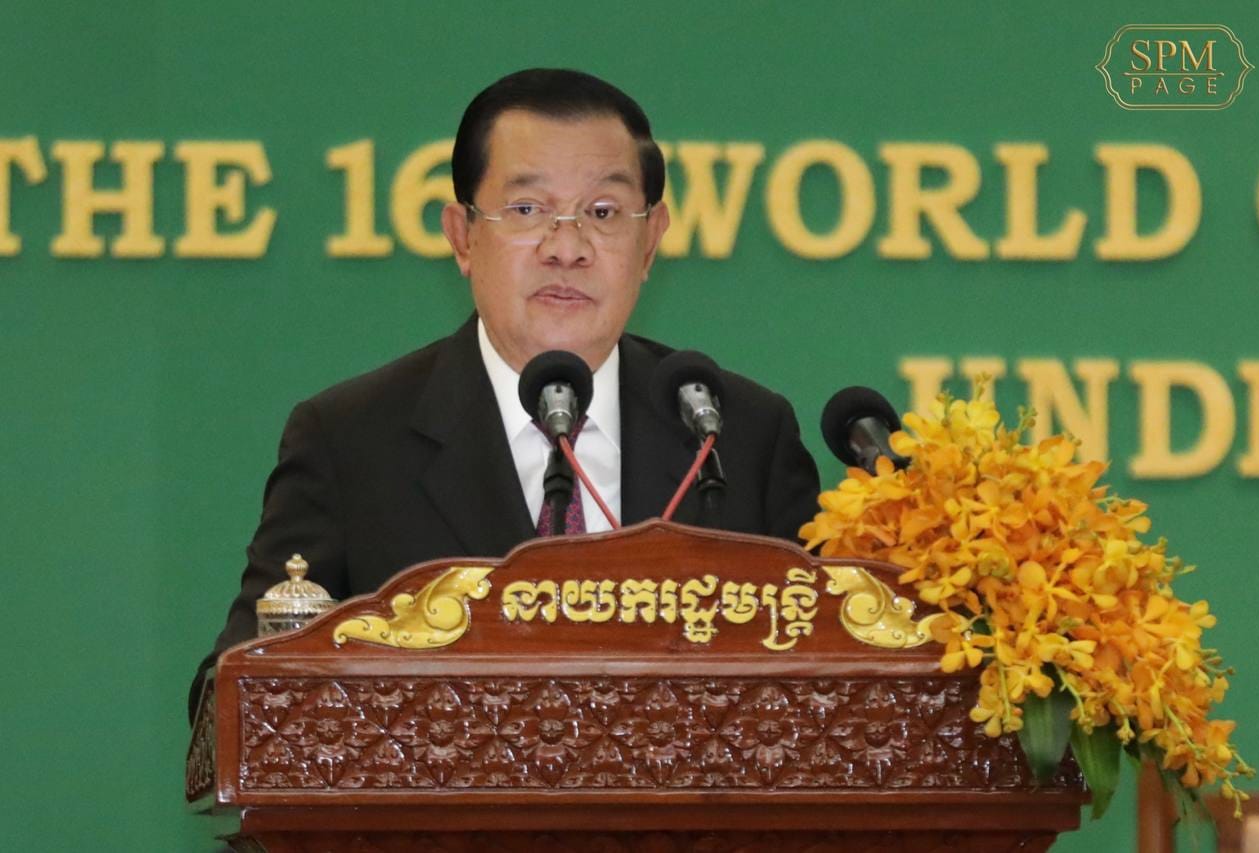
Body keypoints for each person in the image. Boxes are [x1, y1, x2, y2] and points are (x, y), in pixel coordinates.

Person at [189, 68, 820, 721]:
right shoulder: (351, 441)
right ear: (462, 236)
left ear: (651, 240)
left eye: (603, 213)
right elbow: (232, 698)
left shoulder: (738, 434)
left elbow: (833, 679)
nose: (567, 248)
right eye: (527, 210)